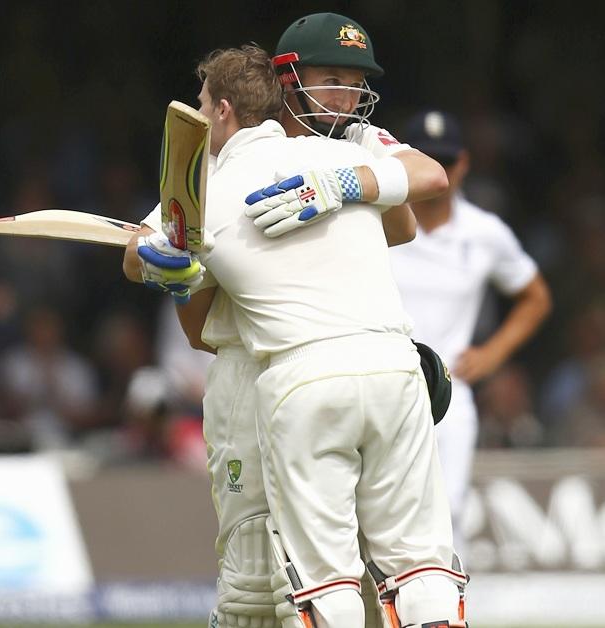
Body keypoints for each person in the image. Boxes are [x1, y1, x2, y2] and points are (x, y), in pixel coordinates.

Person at [125, 44, 465, 628]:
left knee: (321, 580)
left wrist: (162, 265)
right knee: (420, 567)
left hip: (296, 377)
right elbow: (419, 184)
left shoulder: (212, 180)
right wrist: (349, 182)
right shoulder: (333, 152)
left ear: (224, 110)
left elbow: (140, 247)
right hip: (393, 366)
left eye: (204, 105)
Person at [251, 108, 552, 562]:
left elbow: (535, 296)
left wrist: (492, 355)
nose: (440, 173)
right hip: (375, 379)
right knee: (361, 522)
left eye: (447, 163)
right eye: (430, 161)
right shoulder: (376, 218)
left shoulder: (483, 233)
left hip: (446, 392)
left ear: (463, 165)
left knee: (445, 519)